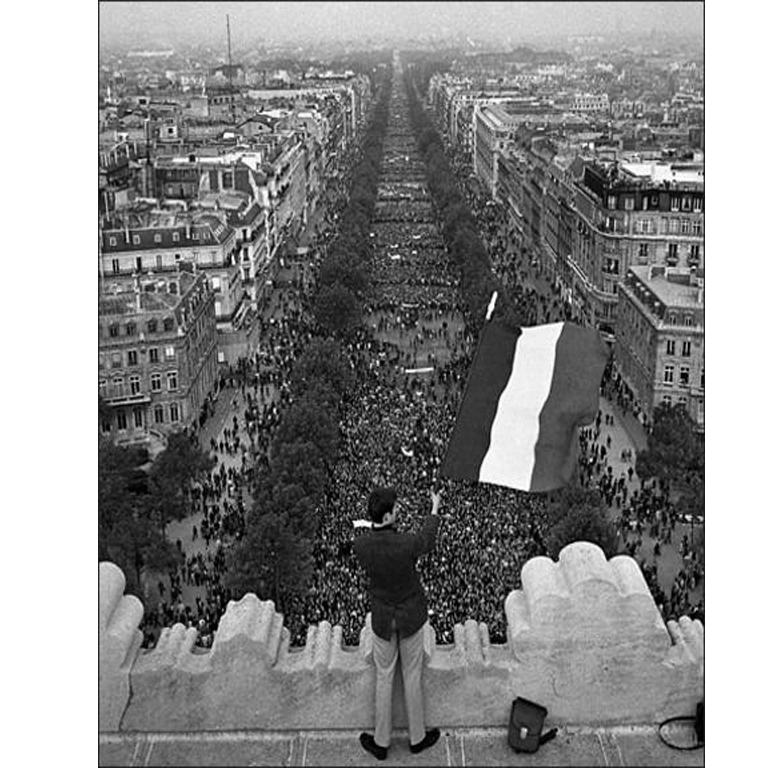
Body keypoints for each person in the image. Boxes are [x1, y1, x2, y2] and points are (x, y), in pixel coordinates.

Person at [353, 485, 442, 761]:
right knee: (412, 677)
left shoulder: (361, 546)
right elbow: (426, 540)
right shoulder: (406, 543)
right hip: (410, 616)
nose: (399, 510)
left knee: (384, 678)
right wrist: (434, 509)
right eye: (396, 507)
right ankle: (417, 738)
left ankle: (381, 742)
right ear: (389, 516)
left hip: (382, 618)